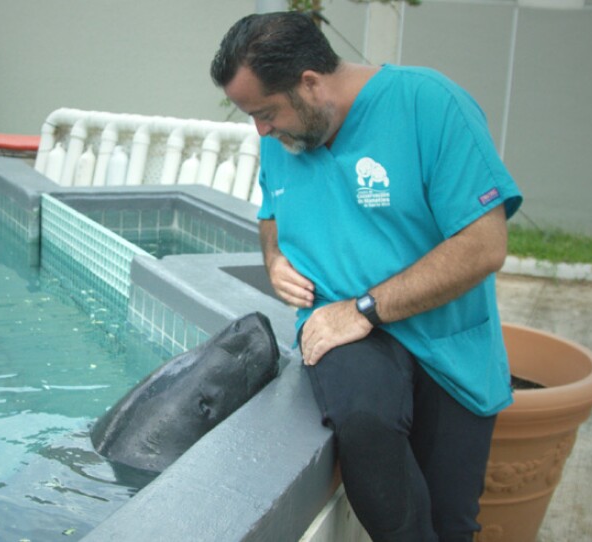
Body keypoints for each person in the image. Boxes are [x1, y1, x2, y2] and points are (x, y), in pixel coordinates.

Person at [211, 11, 522, 542]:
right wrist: (274, 261)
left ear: (310, 81)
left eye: (265, 112)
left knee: (452, 523)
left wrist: (365, 309)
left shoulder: (430, 106)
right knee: (366, 422)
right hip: (343, 333)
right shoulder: (281, 136)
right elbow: (271, 213)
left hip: (445, 343)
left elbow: (484, 246)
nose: (259, 130)